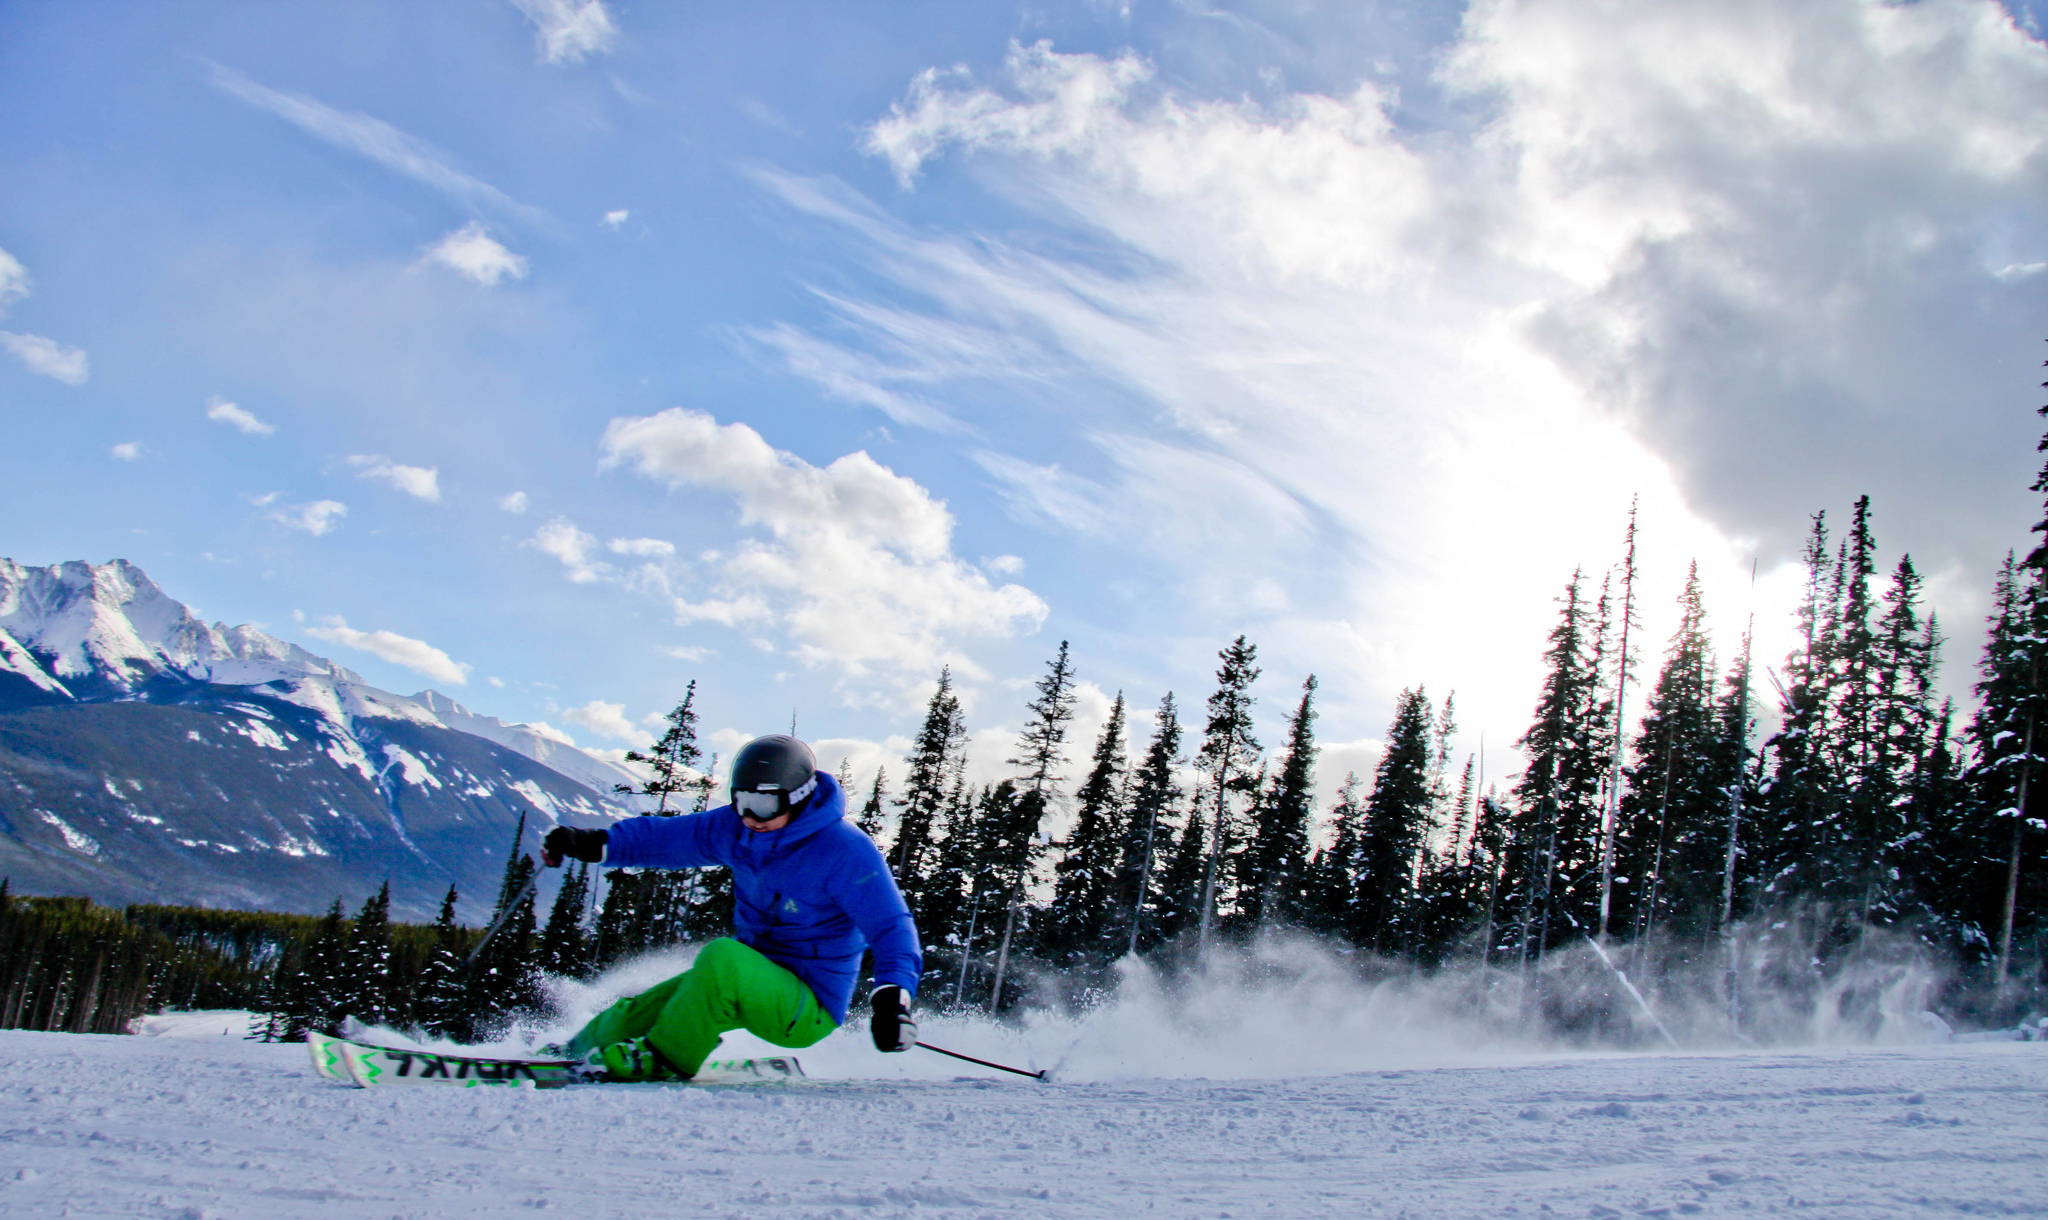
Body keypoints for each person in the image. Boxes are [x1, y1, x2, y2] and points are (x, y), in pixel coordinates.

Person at [540, 734, 921, 1081]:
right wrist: (593, 843)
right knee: (641, 1010)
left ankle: (665, 1058)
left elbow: (891, 927)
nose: (751, 816)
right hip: (747, 977)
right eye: (741, 801)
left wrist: (892, 1002)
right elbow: (669, 838)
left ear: (800, 796)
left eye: (765, 803)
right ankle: (570, 1054)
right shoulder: (739, 828)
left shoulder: (843, 850)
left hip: (807, 1005)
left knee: (721, 956)